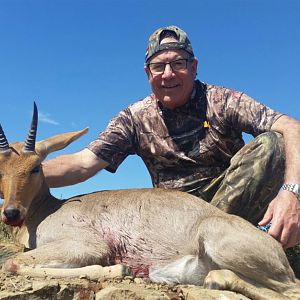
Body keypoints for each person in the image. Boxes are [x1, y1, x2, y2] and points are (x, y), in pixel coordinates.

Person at [43, 25, 300, 250]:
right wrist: (12, 177)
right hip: (172, 220)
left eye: (178, 63)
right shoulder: (134, 118)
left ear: (194, 67)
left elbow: (291, 126)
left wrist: (291, 194)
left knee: (274, 144)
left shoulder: (223, 101)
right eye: (158, 66)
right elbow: (83, 163)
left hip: (229, 211)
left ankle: (216, 245)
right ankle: (199, 251)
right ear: (148, 73)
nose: (168, 74)